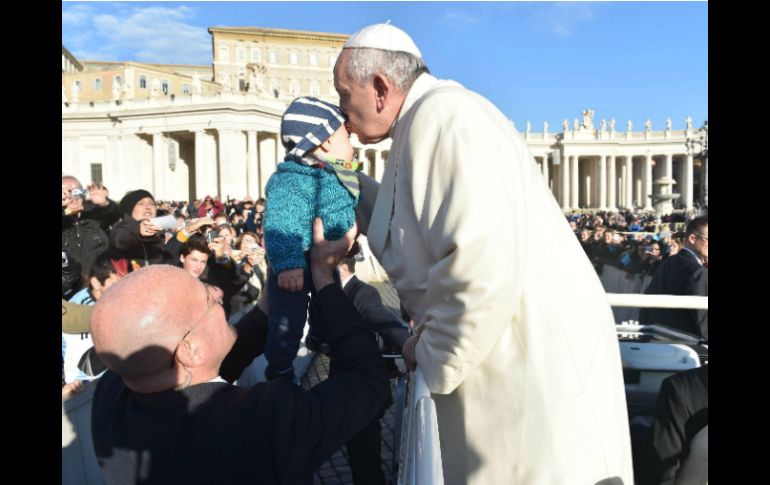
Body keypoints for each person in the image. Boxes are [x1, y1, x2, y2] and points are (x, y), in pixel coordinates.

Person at [334, 23, 632, 484]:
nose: (341, 111)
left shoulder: (445, 117)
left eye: (343, 94)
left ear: (379, 88)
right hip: (503, 349)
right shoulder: (427, 121)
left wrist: (428, 354)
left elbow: (479, 264)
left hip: (522, 360)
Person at [90, 219, 390, 484]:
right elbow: (370, 380)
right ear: (189, 350)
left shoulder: (113, 393)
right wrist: (324, 277)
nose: (218, 292)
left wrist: (266, 305)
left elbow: (202, 369)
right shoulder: (263, 419)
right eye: (208, 300)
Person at [262, 96, 359, 381]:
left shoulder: (334, 174)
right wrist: (289, 263)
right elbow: (281, 223)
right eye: (347, 136)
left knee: (329, 301)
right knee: (287, 321)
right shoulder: (292, 179)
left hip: (324, 259)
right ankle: (279, 368)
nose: (352, 142)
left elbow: (342, 208)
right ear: (325, 141)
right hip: (295, 263)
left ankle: (319, 336)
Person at [335, 256, 409, 485]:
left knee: (365, 449)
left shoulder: (362, 292)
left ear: (342, 267)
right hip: (347, 385)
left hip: (363, 388)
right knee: (358, 449)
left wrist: (407, 344)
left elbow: (383, 319)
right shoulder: (335, 293)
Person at [639, 216, 708, 340]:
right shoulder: (698, 272)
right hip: (684, 347)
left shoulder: (667, 262)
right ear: (692, 238)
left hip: (656, 338)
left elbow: (647, 303)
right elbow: (702, 321)